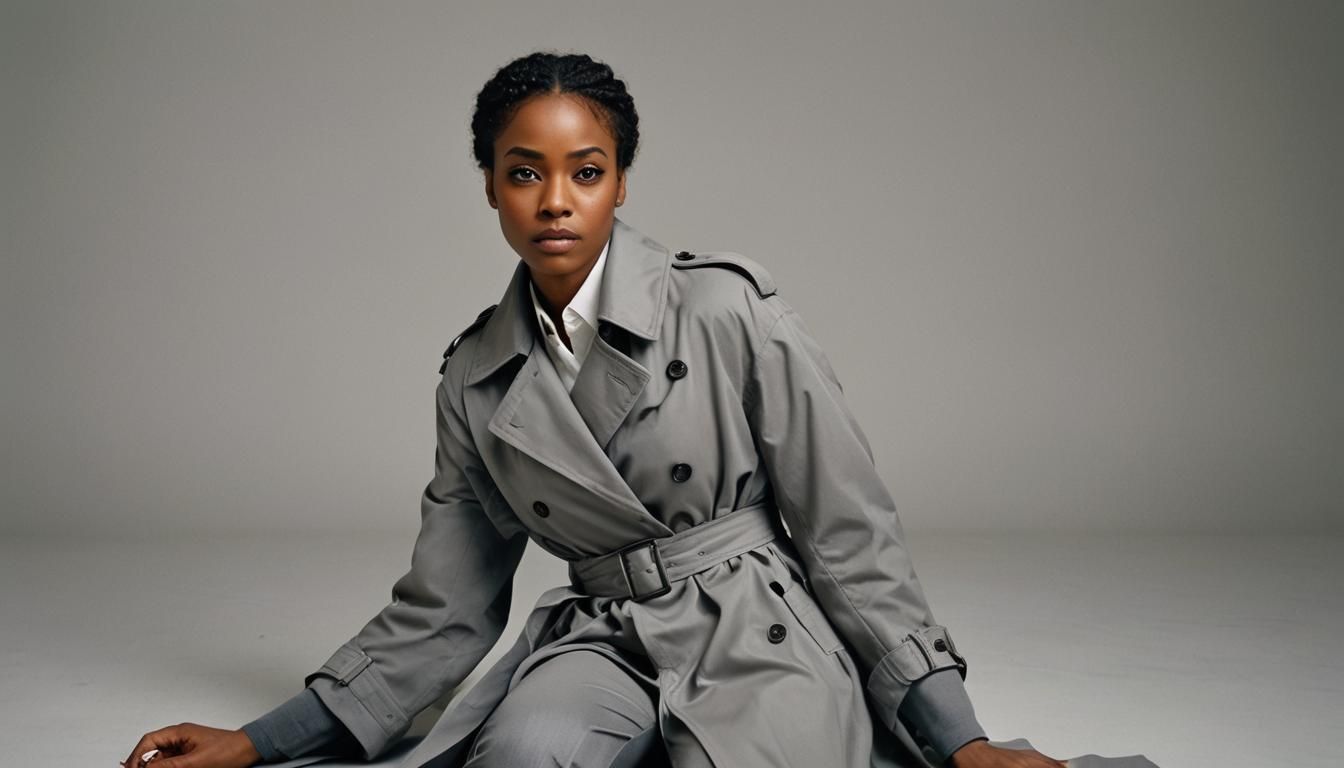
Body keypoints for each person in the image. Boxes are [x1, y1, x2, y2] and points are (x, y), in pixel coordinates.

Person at [122, 51, 1158, 768]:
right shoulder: (475, 377)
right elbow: (446, 608)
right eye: (524, 174)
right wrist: (266, 737)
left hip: (755, 624)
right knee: (522, 753)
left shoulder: (722, 307)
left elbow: (849, 533)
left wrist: (957, 730)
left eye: (586, 171)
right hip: (604, 631)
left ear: (621, 184)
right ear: (490, 189)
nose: (555, 200)